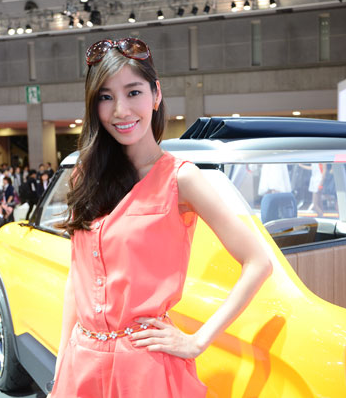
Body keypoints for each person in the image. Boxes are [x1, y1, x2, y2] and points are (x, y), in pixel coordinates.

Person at [48, 38, 272, 398]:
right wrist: (62, 367)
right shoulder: (84, 177)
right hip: (82, 365)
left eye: (133, 92)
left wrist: (197, 341)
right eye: (106, 97)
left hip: (145, 370)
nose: (120, 110)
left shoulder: (180, 179)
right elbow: (78, 277)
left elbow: (259, 261)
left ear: (156, 95)